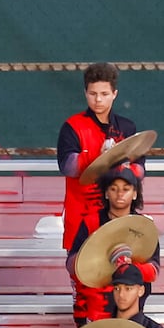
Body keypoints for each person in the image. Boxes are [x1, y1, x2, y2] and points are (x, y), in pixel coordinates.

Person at [57, 62, 145, 253]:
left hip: (119, 215)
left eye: (104, 94)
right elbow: (67, 167)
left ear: (115, 94)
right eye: (93, 94)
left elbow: (139, 170)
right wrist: (98, 156)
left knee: (123, 276)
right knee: (84, 275)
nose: (98, 100)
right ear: (85, 93)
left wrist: (123, 165)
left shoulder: (127, 127)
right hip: (82, 214)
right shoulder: (72, 126)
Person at [69, 166, 159, 327]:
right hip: (96, 301)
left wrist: (128, 265)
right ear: (106, 192)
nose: (120, 194)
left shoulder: (144, 227)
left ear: (135, 193)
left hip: (130, 306)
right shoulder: (90, 222)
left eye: (126, 189)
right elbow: (71, 264)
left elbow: (153, 271)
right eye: (114, 189)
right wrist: (93, 256)